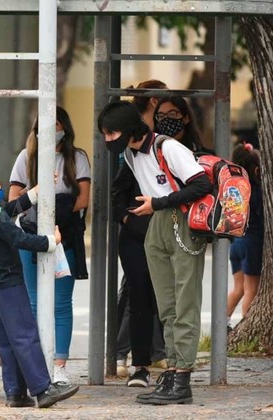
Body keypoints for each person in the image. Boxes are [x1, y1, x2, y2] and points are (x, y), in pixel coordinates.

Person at [98, 100, 212, 405]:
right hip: (156, 223)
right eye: (105, 134)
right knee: (166, 304)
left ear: (128, 128)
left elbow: (201, 184)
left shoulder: (167, 147)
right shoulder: (130, 153)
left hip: (181, 221)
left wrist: (158, 203)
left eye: (111, 133)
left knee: (185, 301)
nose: (108, 140)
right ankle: (172, 372)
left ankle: (183, 377)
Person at [0, 163, 80, 409]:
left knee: (7, 341)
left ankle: (15, 392)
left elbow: (7, 210)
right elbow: (20, 238)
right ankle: (43, 389)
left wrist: (36, 191)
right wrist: (52, 241)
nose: (0, 187)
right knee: (25, 336)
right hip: (9, 284)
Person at [8, 105, 90, 384]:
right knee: (33, 302)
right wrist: (35, 206)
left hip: (65, 235)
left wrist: (57, 214)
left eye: (55, 124)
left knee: (61, 302)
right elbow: (13, 198)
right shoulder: (26, 156)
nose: (50, 130)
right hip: (30, 235)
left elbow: (83, 198)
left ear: (64, 127)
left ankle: (59, 365)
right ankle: (36, 363)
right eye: (43, 125)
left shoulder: (77, 157)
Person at [114, 80, 169, 383]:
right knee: (138, 297)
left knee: (163, 298)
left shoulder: (167, 146)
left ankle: (166, 360)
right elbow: (118, 190)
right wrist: (127, 218)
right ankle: (136, 361)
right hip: (137, 232)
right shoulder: (131, 152)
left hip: (165, 231)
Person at [227, 142, 263, 329]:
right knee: (251, 290)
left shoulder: (235, 190)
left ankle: (221, 324)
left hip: (236, 243)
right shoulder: (256, 191)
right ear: (256, 169)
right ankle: (247, 327)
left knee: (238, 289)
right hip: (252, 244)